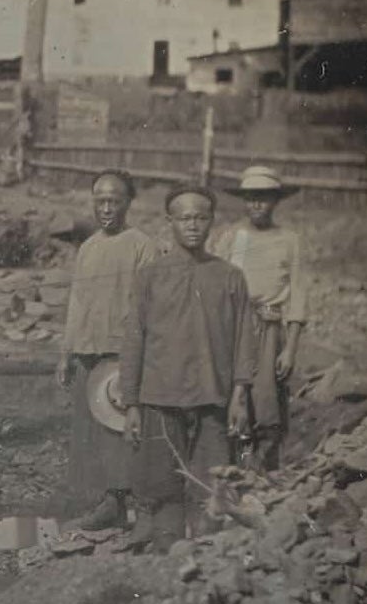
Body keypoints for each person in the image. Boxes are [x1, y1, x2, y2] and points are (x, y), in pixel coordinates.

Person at [120, 187, 256, 552]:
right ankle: (169, 552)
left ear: (211, 221)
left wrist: (240, 394)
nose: (193, 225)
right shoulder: (149, 276)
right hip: (161, 397)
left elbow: (244, 337)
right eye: (184, 218)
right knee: (161, 481)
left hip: (213, 396)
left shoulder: (230, 276)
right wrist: (131, 404)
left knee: (211, 481)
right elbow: (134, 339)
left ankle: (207, 553)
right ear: (170, 222)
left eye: (201, 217)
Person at [58, 170, 157, 530]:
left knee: (122, 427)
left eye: (113, 201)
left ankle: (138, 505)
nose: (106, 209)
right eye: (100, 201)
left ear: (128, 202)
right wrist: (67, 351)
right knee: (90, 429)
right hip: (88, 348)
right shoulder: (88, 247)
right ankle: (105, 503)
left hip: (121, 353)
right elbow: (77, 301)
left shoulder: (142, 245)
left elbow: (149, 307)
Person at [210, 166, 305, 471]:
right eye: (251, 197)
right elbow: (216, 285)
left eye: (264, 198)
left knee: (265, 398)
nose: (257, 204)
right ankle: (235, 468)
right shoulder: (231, 237)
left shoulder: (289, 239)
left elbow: (298, 294)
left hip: (268, 327)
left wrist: (290, 348)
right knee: (233, 395)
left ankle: (265, 472)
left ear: (276, 201)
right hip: (234, 327)